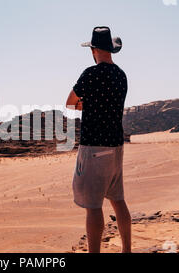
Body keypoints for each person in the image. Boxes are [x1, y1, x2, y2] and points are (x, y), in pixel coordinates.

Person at [66, 26, 131, 253]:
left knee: (93, 206)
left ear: (93, 50)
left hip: (94, 146)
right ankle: (127, 250)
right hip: (116, 146)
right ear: (110, 50)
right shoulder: (121, 75)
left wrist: (86, 104)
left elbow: (70, 102)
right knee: (118, 199)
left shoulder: (90, 74)